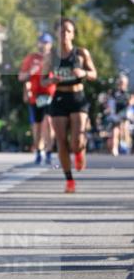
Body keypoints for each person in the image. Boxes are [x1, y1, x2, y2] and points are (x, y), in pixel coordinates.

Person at [41, 17, 97, 193]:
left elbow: (94, 74)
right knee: (61, 142)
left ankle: (80, 151)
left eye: (68, 31)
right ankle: (69, 180)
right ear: (57, 34)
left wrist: (84, 72)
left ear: (73, 34)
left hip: (77, 97)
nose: (64, 34)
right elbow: (42, 80)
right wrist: (51, 79)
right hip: (59, 98)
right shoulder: (51, 56)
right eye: (61, 31)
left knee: (76, 141)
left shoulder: (81, 53)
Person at [18, 34, 56, 164]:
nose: (44, 45)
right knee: (37, 126)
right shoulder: (31, 58)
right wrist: (30, 73)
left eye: (46, 42)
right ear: (38, 43)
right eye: (42, 42)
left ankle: (49, 151)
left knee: (49, 121)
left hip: (50, 95)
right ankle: (39, 151)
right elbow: (21, 77)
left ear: (51, 44)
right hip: (35, 96)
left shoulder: (55, 59)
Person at [106, 73, 133, 157]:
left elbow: (131, 103)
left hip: (126, 114)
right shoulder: (114, 93)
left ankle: (127, 146)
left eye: (123, 82)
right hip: (116, 115)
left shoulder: (129, 93)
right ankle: (115, 148)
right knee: (115, 131)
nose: (121, 84)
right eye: (120, 82)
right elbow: (110, 103)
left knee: (125, 129)